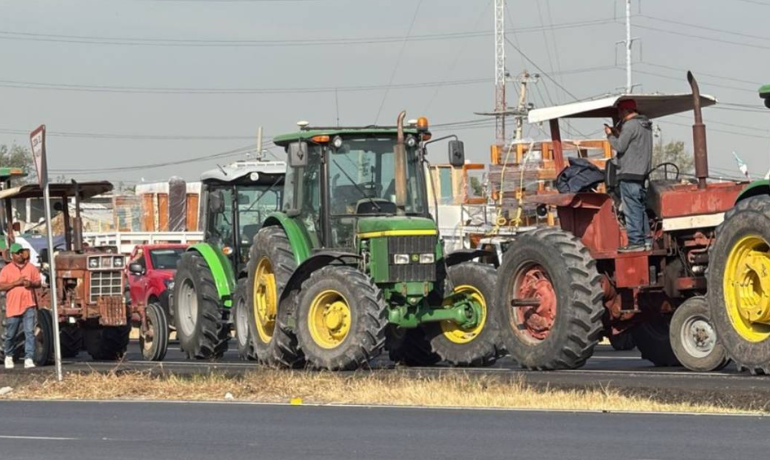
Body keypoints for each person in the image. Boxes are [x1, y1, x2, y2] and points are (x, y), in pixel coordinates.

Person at [605, 99, 653, 252]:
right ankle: (646, 240)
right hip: (642, 174)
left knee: (631, 209)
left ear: (625, 111)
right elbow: (633, 143)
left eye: (619, 111)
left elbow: (620, 146)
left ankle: (635, 242)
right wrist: (620, 134)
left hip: (629, 173)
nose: (619, 114)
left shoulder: (630, 125)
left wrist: (610, 136)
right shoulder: (645, 125)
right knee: (641, 208)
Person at [1, 243, 43, 369]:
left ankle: (28, 358)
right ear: (12, 255)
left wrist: (31, 283)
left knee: (29, 332)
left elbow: (38, 283)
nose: (20, 255)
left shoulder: (30, 268)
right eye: (17, 253)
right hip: (13, 306)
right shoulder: (6, 270)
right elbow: (1, 286)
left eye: (21, 252)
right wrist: (16, 283)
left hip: (28, 304)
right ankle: (8, 355)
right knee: (11, 334)